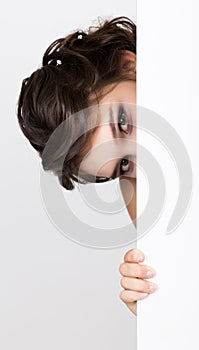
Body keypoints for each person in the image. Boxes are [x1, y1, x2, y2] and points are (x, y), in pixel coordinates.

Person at [17, 16, 157, 316]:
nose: (145, 151)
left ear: (128, 66)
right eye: (124, 163)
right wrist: (155, 306)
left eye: (123, 123)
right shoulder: (144, 190)